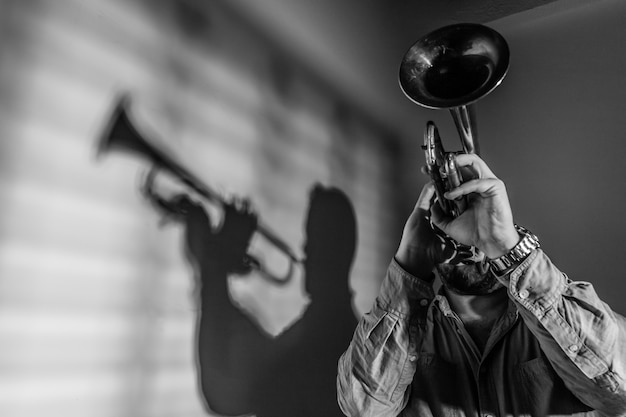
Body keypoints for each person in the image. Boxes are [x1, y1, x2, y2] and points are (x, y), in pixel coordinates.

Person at [337, 153, 626, 417]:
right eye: (452, 218)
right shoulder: (407, 335)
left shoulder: (556, 324)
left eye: (477, 219)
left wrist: (505, 247)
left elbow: (619, 394)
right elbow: (363, 410)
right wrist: (410, 262)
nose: (469, 245)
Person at [145, 181, 358, 416]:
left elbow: (222, 393)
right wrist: (213, 266)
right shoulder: (337, 329)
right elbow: (249, 352)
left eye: (312, 239)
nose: (304, 252)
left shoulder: (327, 338)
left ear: (336, 248)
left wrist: (214, 265)